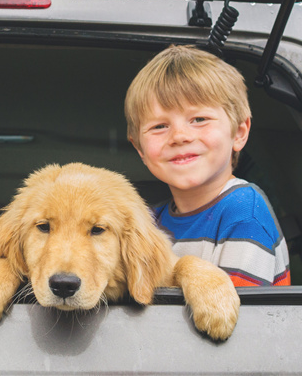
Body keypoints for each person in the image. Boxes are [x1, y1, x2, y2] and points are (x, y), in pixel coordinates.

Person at [124, 45, 290, 287]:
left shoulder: (243, 209)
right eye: (159, 126)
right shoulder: (150, 221)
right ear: (139, 148)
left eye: (199, 119)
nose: (179, 136)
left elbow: (232, 318)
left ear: (239, 133)